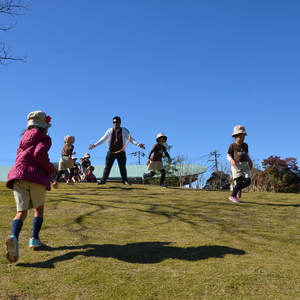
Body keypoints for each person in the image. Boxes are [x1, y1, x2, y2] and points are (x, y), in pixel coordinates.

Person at [5, 110, 55, 263]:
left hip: (18, 176)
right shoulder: (45, 139)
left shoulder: (22, 140)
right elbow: (39, 155)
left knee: (21, 211)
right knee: (38, 209)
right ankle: (34, 239)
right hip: (36, 176)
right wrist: (51, 169)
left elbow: (19, 157)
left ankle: (14, 236)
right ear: (43, 126)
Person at [89, 116, 145, 185]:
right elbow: (103, 139)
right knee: (107, 167)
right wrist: (95, 144)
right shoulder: (109, 130)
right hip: (111, 152)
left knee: (122, 168)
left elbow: (130, 139)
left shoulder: (124, 131)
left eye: (116, 122)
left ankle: (125, 181)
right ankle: (103, 180)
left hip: (121, 152)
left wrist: (138, 144)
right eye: (114, 122)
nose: (115, 123)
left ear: (120, 123)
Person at [227, 125, 253, 203]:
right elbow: (228, 154)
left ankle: (238, 189)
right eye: (240, 137)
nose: (242, 139)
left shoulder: (245, 145)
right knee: (238, 182)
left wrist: (250, 162)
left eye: (243, 137)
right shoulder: (232, 146)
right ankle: (232, 196)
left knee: (247, 182)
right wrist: (231, 160)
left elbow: (246, 154)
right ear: (235, 137)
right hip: (236, 165)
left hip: (245, 165)